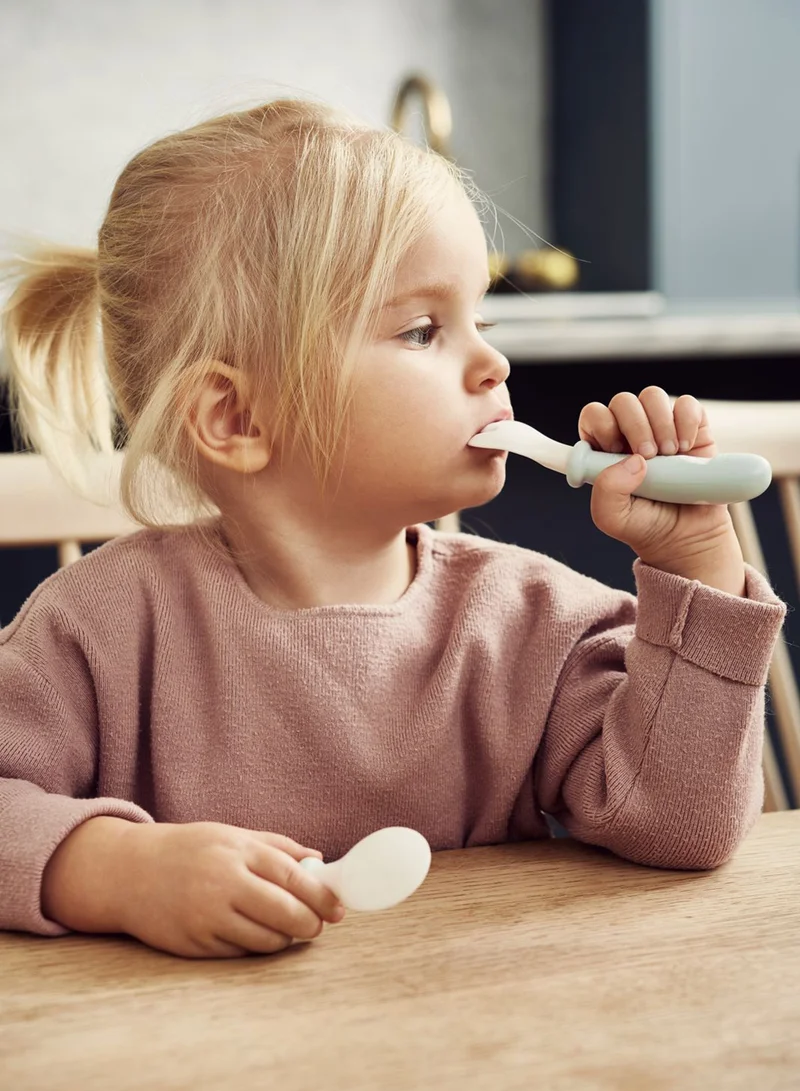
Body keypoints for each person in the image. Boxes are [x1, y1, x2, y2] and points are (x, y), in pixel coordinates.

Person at [0, 99, 786, 959]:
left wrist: (697, 562)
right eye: (423, 330)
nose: (496, 363)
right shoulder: (100, 630)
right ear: (235, 416)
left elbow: (682, 825)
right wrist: (117, 867)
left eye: (479, 320)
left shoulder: (535, 624)